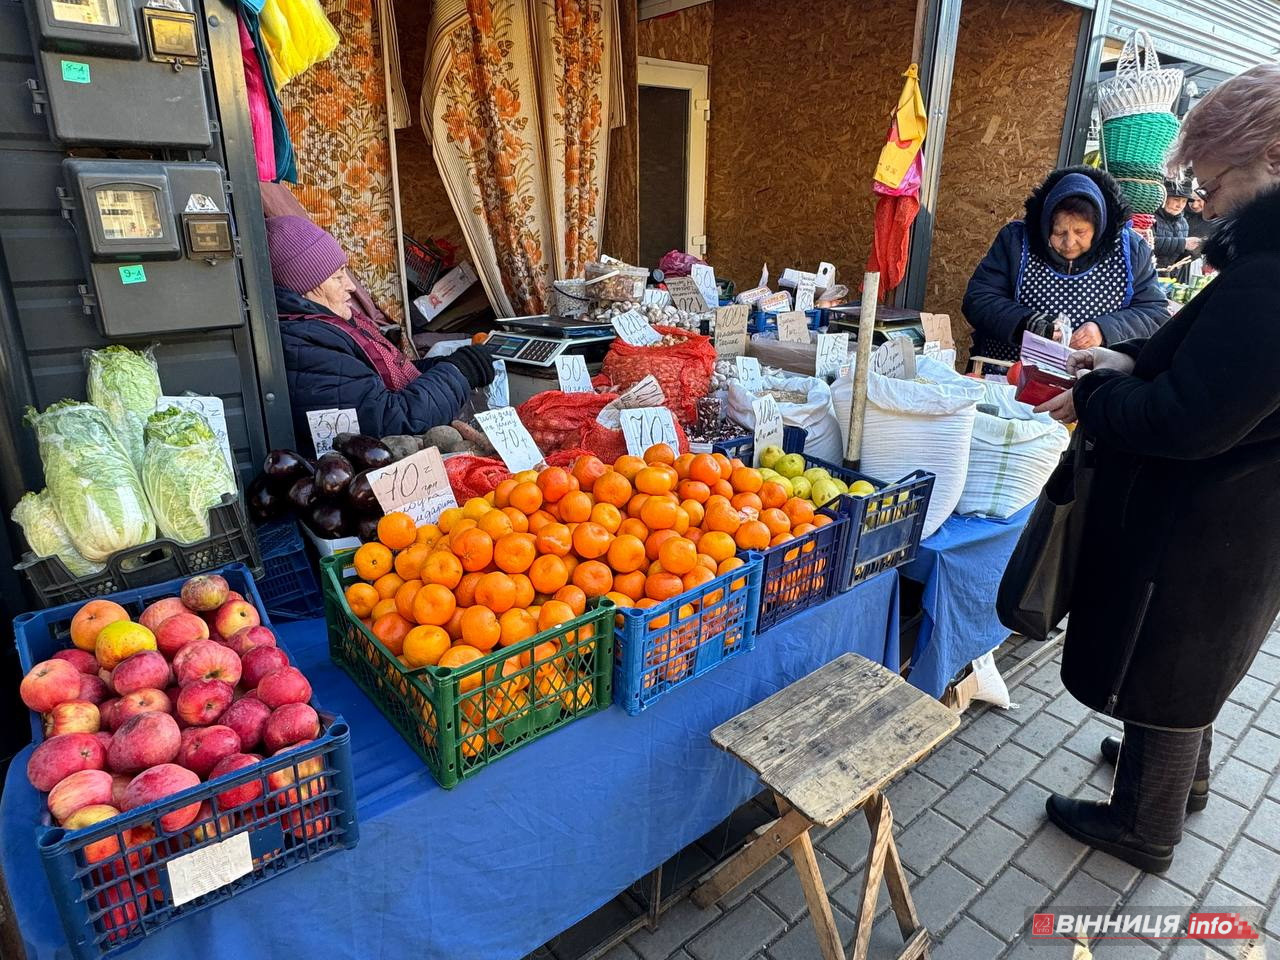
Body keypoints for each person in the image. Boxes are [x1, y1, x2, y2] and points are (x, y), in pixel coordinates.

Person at [1033, 64, 1280, 873]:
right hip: (1239, 517)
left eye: (1214, 182)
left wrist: (1099, 400)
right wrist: (1127, 358)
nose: (1202, 202)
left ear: (1272, 157)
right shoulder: (1261, 264)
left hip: (1210, 520)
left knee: (1172, 659)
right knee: (1196, 660)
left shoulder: (1272, 277)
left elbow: (1188, 418)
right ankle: (1183, 780)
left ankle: (1145, 825)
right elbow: (1202, 355)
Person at [265, 216, 495, 447]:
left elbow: (384, 379)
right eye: (337, 277)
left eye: (345, 271)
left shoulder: (328, 323)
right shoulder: (305, 347)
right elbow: (389, 421)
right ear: (303, 289)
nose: (351, 286)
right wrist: (458, 372)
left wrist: (447, 365)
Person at [964, 166, 1168, 370]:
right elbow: (979, 299)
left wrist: (1104, 330)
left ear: (1098, 227)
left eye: (1081, 232)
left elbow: (1154, 313)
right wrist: (1028, 323)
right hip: (1005, 372)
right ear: (1046, 225)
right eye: (1059, 232)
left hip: (1086, 382)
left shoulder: (1130, 250)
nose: (1069, 243)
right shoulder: (1016, 241)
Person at [1153, 179, 1202, 276]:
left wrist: (1193, 251)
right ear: (1164, 198)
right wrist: (1183, 243)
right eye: (1176, 200)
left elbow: (1178, 256)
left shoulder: (1183, 223)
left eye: (1184, 201)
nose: (1180, 205)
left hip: (1169, 276)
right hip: (1148, 273)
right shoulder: (1150, 217)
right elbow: (1148, 243)